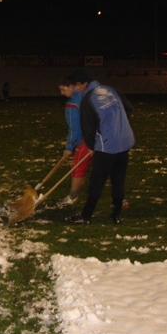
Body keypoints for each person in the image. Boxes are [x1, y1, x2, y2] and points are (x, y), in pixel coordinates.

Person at [67, 67, 135, 224]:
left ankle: (86, 216)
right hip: (124, 141)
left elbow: (88, 129)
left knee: (96, 181)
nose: (77, 88)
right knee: (118, 179)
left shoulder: (88, 99)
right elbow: (129, 109)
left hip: (106, 147)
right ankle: (116, 215)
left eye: (78, 85)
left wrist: (93, 146)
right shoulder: (111, 89)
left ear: (83, 83)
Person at [56, 76, 92, 207]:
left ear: (72, 86)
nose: (62, 93)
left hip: (86, 139)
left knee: (77, 167)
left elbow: (74, 128)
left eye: (63, 89)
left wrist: (70, 146)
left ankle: (72, 197)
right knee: (106, 166)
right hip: (101, 137)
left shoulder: (72, 103)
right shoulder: (87, 95)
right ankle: (121, 198)